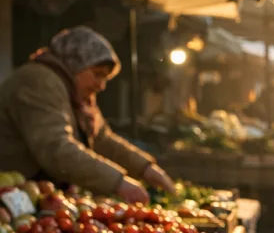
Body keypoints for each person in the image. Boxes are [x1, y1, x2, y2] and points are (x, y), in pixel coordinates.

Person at [0, 26, 175, 203]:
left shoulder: (77, 95)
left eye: (106, 77)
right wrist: (118, 183)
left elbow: (102, 139)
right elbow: (57, 149)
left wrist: (145, 168)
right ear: (75, 64)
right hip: (11, 197)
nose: (101, 86)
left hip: (35, 195)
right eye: (97, 74)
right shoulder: (39, 82)